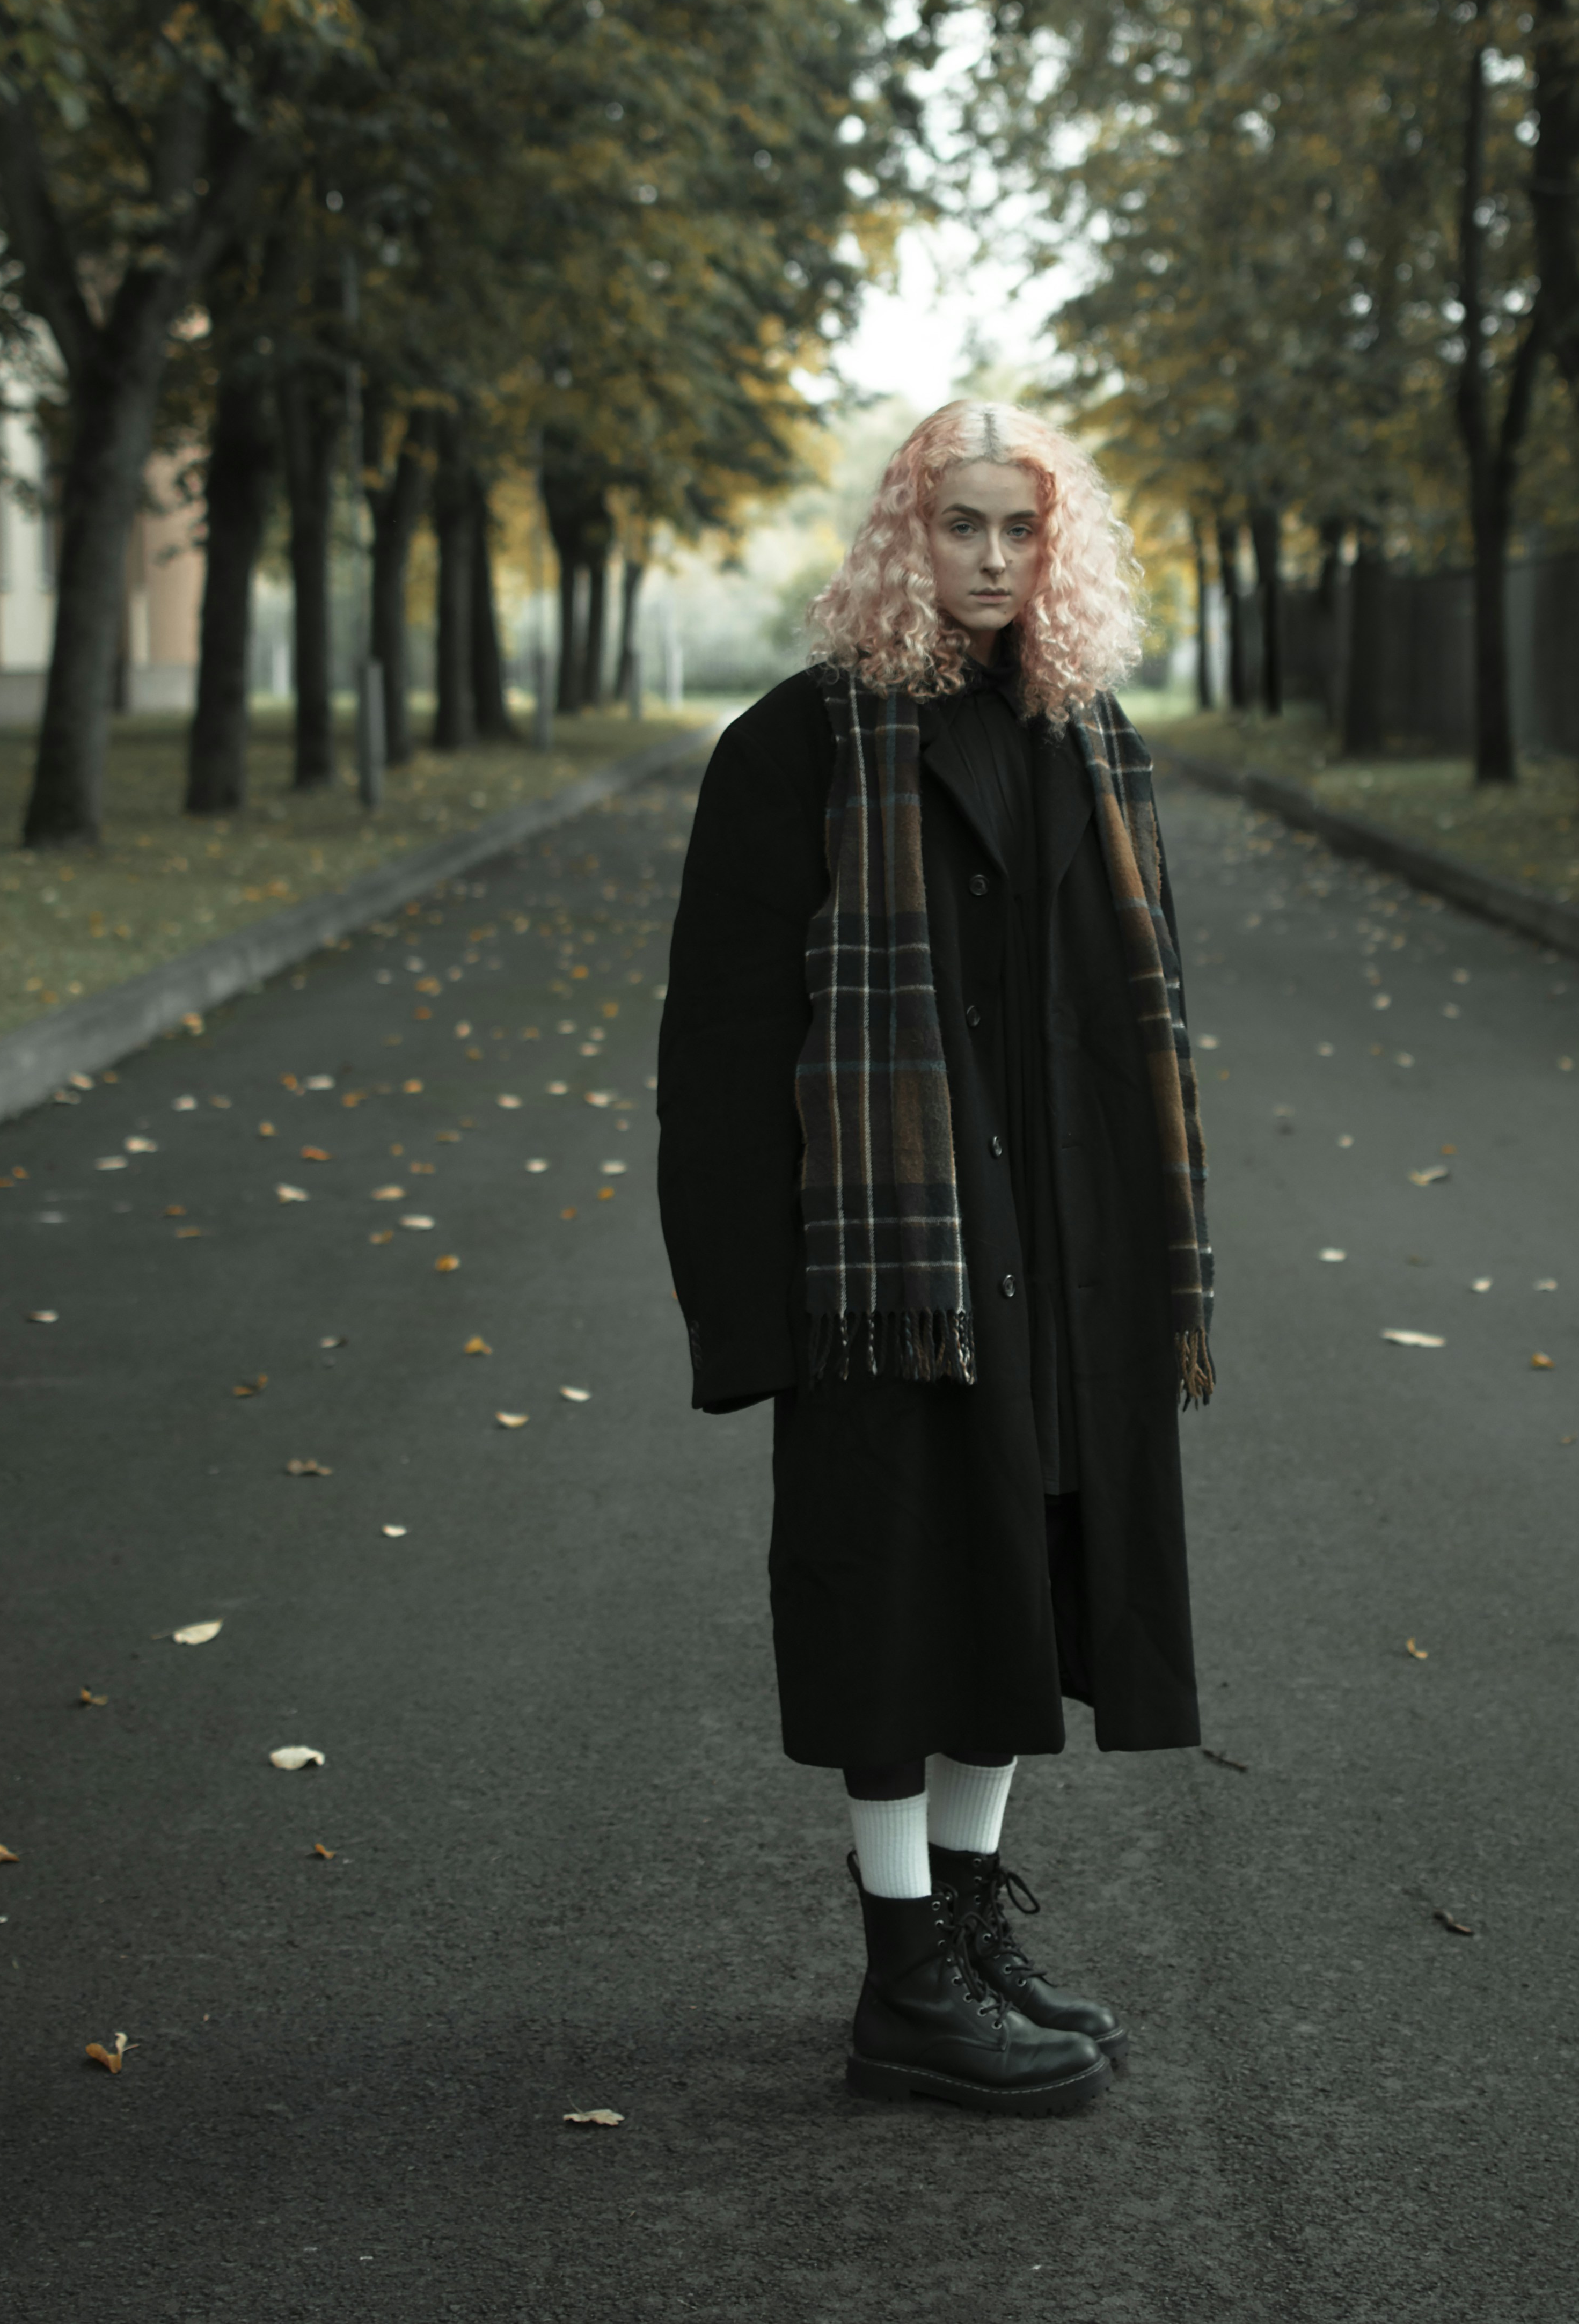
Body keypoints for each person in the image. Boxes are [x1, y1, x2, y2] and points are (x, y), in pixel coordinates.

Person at [656, 399, 1213, 2118]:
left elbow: (1134, 1021)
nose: (990, 558)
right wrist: (752, 1317)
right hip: (885, 1265)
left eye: (1020, 529)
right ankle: (902, 1977)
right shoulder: (799, 746)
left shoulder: (1088, 736)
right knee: (894, 1599)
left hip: (1062, 1247)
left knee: (1023, 1582)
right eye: (960, 525)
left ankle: (967, 1936)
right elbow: (724, 1054)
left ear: (1061, 547)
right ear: (907, 531)